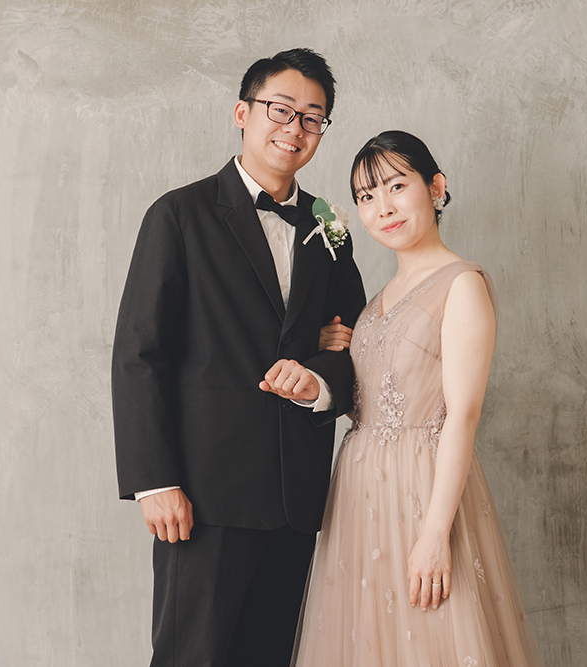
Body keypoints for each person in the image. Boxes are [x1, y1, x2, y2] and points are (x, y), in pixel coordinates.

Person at [111, 48, 366, 667]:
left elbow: (361, 344)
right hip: (204, 496)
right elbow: (140, 354)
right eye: (281, 109)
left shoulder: (328, 227)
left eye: (312, 118)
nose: (295, 128)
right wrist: (155, 482)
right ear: (242, 113)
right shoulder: (178, 214)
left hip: (297, 495)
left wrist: (320, 379)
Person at [291, 131, 544, 666]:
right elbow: (367, 395)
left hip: (422, 493)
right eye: (365, 197)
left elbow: (462, 417)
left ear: (436, 187)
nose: (382, 207)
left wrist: (434, 533)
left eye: (396, 186)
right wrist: (329, 349)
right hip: (359, 497)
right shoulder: (374, 303)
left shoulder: (461, 284)